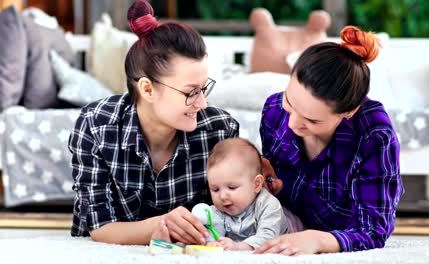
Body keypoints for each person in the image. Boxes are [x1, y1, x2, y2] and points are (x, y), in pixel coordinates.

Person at [68, 0, 239, 245]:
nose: (202, 104)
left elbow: (230, 219)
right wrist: (162, 224)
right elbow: (99, 227)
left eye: (204, 89)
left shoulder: (221, 130)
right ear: (147, 89)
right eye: (191, 92)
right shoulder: (95, 125)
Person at [255, 26, 404, 255]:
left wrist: (318, 241)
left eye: (311, 120)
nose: (293, 123)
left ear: (349, 111)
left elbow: (373, 229)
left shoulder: (374, 135)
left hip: (336, 235)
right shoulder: (274, 110)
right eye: (290, 102)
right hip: (283, 226)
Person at [204, 138, 288, 251]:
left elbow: (268, 237)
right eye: (215, 189)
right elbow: (211, 234)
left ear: (256, 184)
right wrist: (211, 243)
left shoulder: (269, 205)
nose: (222, 196)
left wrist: (238, 247)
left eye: (232, 187)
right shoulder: (217, 211)